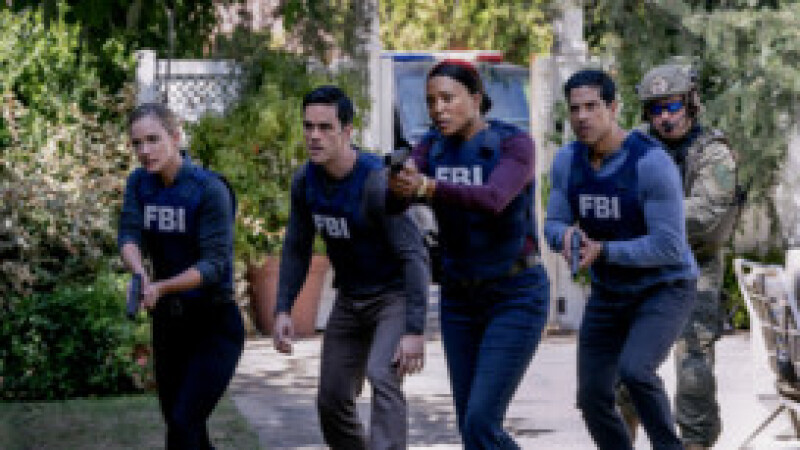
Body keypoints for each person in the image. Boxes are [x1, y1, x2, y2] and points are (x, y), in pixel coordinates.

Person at [388, 59, 550, 450]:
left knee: (481, 421)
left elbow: (494, 199)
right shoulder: (431, 146)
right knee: (470, 428)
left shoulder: (514, 144)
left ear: (476, 99)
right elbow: (396, 201)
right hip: (459, 296)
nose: (438, 109)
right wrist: (396, 182)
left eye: (448, 99)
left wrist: (427, 187)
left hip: (515, 294)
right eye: (431, 101)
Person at [544, 69, 698, 450]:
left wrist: (605, 251)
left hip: (664, 287)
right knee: (592, 396)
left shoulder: (650, 162)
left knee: (635, 371)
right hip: (611, 290)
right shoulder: (568, 161)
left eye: (592, 106)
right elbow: (553, 223)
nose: (582, 117)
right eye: (575, 109)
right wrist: (565, 236)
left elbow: (670, 246)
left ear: (613, 108)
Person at [272, 85, 429, 450]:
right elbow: (296, 248)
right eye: (308, 126)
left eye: (325, 127)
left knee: (382, 374)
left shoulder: (376, 181)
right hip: (351, 298)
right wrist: (283, 308)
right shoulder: (305, 181)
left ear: (346, 131)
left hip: (393, 296)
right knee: (331, 399)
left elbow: (415, 255)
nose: (314, 136)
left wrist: (414, 330)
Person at [614, 63, 739, 450]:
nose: (665, 117)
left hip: (695, 266)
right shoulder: (633, 147)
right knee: (624, 373)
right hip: (643, 268)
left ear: (691, 104)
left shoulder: (713, 152)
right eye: (656, 109)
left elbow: (706, 215)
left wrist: (646, 211)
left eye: (672, 106)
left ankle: (695, 443)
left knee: (693, 371)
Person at [118, 102, 244, 449]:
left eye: (153, 139)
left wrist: (162, 286)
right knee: (184, 429)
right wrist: (140, 273)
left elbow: (214, 266)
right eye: (137, 143)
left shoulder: (210, 190)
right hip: (169, 326)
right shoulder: (139, 184)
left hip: (214, 324)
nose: (144, 151)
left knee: (183, 423)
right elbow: (128, 235)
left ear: (175, 137)